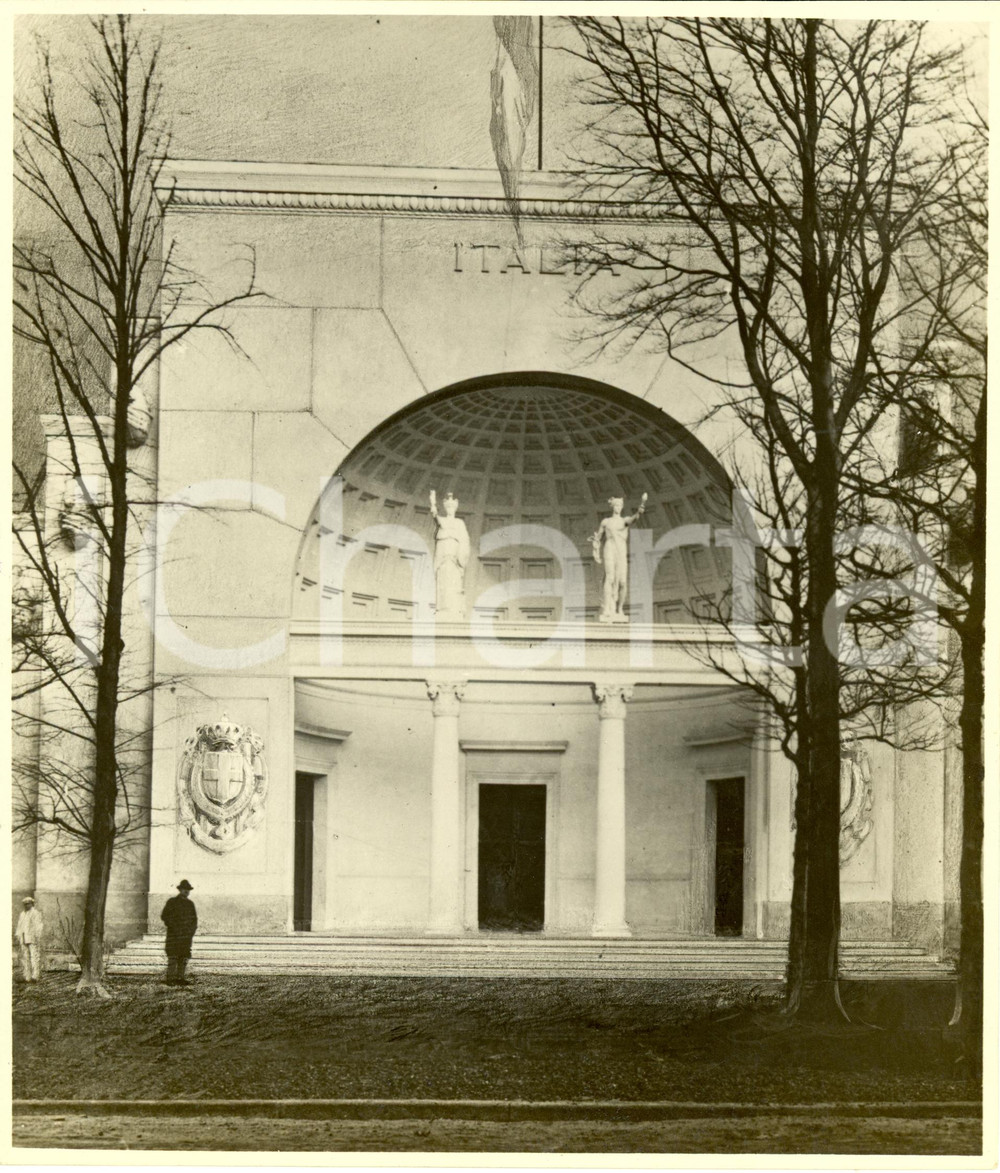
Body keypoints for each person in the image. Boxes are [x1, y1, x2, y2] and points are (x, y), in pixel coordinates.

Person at [591, 493, 647, 623]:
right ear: (612, 506)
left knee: (622, 581)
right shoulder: (606, 522)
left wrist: (639, 510)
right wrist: (596, 551)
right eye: (616, 505)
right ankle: (607, 609)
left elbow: (634, 519)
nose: (618, 507)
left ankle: (619, 608)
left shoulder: (624, 520)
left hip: (621, 550)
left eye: (620, 505)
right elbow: (598, 538)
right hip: (609, 548)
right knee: (610, 577)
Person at [428, 489, 470, 621]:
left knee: (454, 583)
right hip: (443, 558)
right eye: (448, 507)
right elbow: (435, 515)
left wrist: (460, 556)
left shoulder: (459, 523)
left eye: (452, 507)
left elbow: (465, 541)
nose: (450, 509)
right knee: (443, 583)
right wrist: (433, 502)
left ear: (455, 508)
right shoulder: (443, 521)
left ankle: (454, 608)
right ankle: (442, 608)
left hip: (455, 559)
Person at [161, 880, 198, 986]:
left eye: (188, 890)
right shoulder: (172, 902)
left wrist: (191, 932)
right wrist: (174, 927)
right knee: (173, 956)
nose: (186, 891)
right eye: (184, 889)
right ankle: (170, 978)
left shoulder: (190, 904)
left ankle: (180, 978)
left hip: (186, 936)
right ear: (180, 890)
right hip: (174, 934)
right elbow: (165, 916)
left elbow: (194, 920)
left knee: (183, 957)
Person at [15, 896, 44, 983]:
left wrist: (37, 936)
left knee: (34, 957)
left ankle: (35, 976)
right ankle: (27, 976)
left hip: (32, 938)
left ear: (32, 904)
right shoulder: (22, 914)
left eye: (28, 903)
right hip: (23, 937)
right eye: (25, 904)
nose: (26, 905)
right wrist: (18, 935)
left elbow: (38, 926)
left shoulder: (36, 913)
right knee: (25, 957)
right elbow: (20, 926)